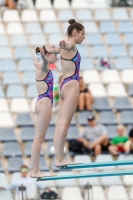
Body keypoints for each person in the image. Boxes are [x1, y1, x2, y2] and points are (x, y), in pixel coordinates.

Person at [45, 19, 85, 167]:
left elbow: (55, 49)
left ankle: (58, 156)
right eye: (82, 34)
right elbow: (67, 45)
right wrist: (64, 44)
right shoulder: (71, 46)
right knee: (65, 124)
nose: (84, 37)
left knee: (61, 123)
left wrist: (50, 47)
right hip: (71, 85)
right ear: (75, 32)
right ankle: (59, 159)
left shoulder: (64, 49)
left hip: (63, 85)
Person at [30, 46, 57, 178]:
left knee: (39, 138)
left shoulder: (40, 66)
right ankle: (34, 170)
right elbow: (45, 62)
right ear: (47, 56)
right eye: (54, 55)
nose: (56, 57)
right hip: (44, 102)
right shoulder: (45, 65)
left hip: (42, 101)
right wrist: (42, 55)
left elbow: (38, 63)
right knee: (39, 139)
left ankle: (34, 169)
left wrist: (36, 60)